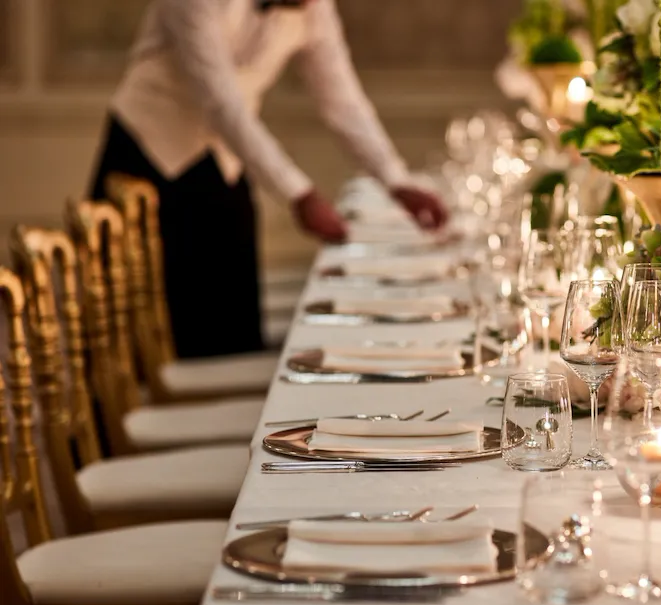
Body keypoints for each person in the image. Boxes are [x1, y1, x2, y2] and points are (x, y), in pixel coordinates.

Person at [89, 0, 448, 359]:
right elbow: (222, 103)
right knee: (143, 335)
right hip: (146, 153)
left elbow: (342, 101)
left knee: (234, 331)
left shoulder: (313, 7)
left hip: (226, 163)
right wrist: (299, 194)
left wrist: (396, 180)